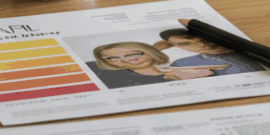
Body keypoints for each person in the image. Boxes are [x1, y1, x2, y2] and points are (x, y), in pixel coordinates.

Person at [87, 43, 220, 88]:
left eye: (132, 54)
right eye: (112, 58)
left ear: (151, 53)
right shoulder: (106, 74)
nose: (124, 60)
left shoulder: (185, 67)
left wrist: (209, 75)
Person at [155, 28, 267, 75]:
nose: (202, 44)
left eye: (202, 38)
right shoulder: (182, 64)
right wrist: (153, 50)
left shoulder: (251, 52)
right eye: (185, 44)